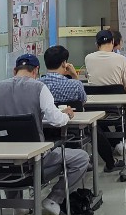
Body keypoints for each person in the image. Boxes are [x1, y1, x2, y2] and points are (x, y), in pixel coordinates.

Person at [0, 54, 91, 215]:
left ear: (14, 70)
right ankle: (54, 199)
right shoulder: (39, 88)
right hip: (34, 162)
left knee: (12, 149)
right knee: (81, 158)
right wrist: (66, 115)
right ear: (36, 70)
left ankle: (18, 207)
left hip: (2, 161)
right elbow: (57, 120)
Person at [41, 45, 121, 173]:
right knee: (95, 128)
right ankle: (110, 163)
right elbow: (83, 101)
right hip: (74, 129)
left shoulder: (39, 85)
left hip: (47, 130)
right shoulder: (74, 84)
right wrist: (74, 76)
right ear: (64, 63)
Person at [84, 29, 126, 130]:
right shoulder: (121, 59)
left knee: (99, 121)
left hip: (93, 107)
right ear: (113, 41)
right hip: (116, 107)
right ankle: (120, 136)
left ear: (97, 44)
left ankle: (108, 137)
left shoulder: (88, 58)